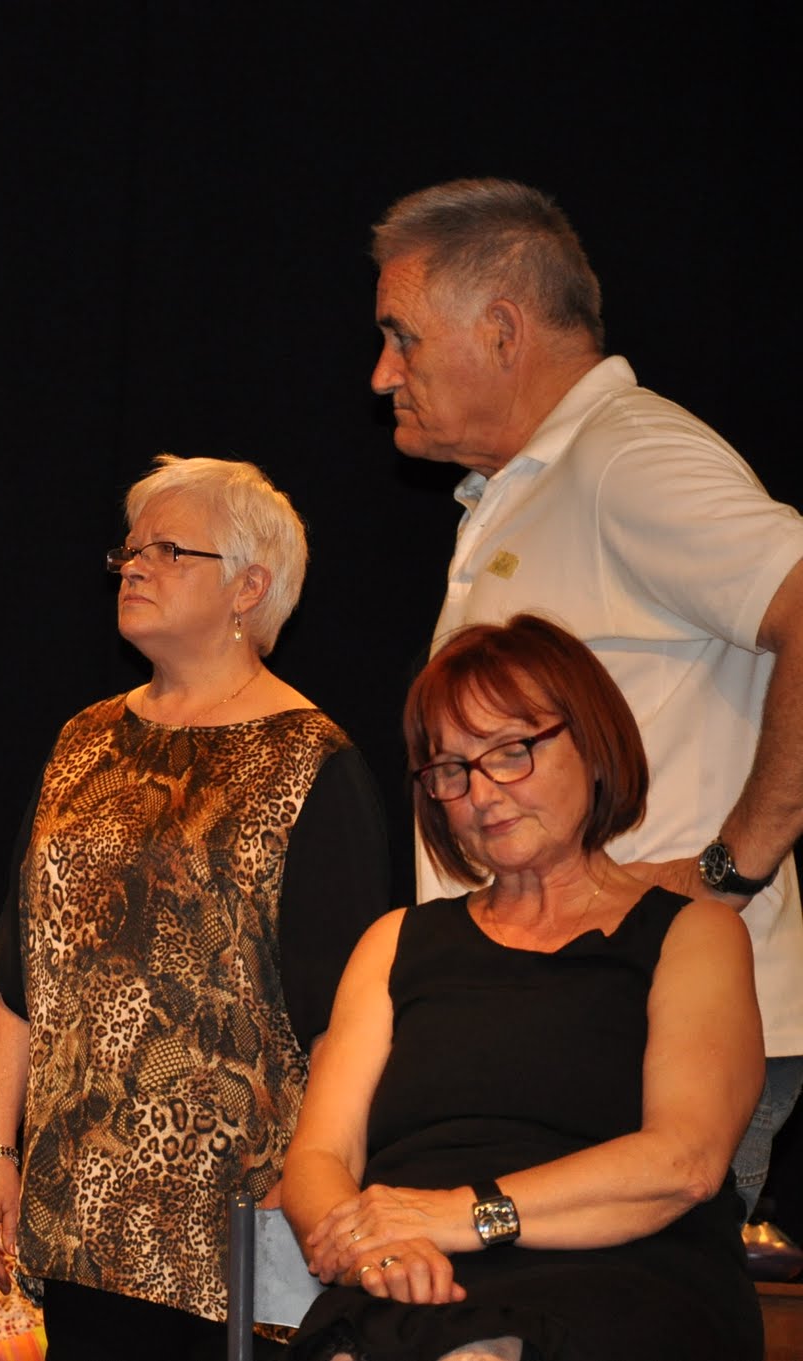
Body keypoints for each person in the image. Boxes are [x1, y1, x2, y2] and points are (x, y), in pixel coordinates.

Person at [369, 177, 803, 1222]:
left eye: (402, 337)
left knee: (620, 1303)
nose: (382, 373)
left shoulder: (628, 457)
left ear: (502, 329)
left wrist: (731, 864)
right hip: (550, 1030)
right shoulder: (529, 486)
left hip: (647, 1035)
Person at [0, 455, 390, 1359]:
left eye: (168, 550)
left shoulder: (312, 761)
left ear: (250, 588)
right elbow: (20, 972)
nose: (134, 567)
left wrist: (311, 1178)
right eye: (129, 550)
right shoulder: (83, 739)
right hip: (75, 1212)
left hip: (234, 1221)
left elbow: (349, 1016)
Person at [282, 613, 762, 1360]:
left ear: (593, 746)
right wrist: (374, 1252)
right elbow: (319, 1158)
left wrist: (461, 1216)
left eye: (511, 751)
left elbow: (684, 1163)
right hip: (412, 1280)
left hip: (620, 1278)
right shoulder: (394, 943)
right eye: (451, 769)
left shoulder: (693, 935)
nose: (481, 793)